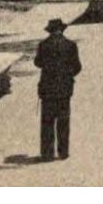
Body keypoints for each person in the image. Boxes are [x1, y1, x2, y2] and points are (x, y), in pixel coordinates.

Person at [34, 17, 81, 162]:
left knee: (47, 121)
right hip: (64, 89)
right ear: (62, 30)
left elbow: (38, 62)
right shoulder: (70, 45)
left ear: (50, 31)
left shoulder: (43, 45)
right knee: (63, 121)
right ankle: (63, 152)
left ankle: (47, 153)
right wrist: (67, 75)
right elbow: (77, 67)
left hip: (47, 89)